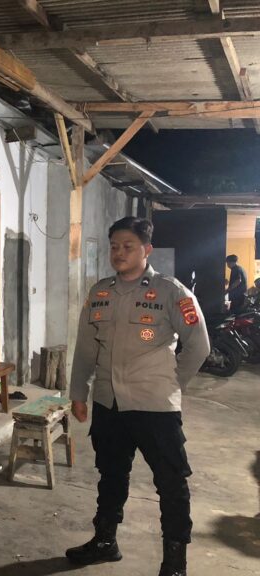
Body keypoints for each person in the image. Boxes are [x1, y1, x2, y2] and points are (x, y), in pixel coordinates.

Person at [66, 217, 210, 576]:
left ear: (147, 250)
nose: (119, 252)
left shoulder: (171, 292)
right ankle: (105, 540)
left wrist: (172, 383)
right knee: (111, 475)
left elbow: (198, 345)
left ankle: (174, 562)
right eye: (114, 246)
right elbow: (85, 348)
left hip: (154, 408)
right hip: (109, 403)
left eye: (128, 246)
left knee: (171, 483)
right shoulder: (100, 292)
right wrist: (79, 392)